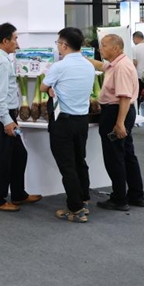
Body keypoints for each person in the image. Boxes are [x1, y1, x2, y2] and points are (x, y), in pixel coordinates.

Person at [0, 23, 41, 212]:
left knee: (19, 154)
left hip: (5, 113)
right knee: (2, 157)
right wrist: (7, 121)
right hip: (3, 115)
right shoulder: (0, 62)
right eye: (15, 38)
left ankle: (18, 194)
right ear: (5, 40)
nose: (17, 43)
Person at [41, 27, 95, 223]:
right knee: (80, 161)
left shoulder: (59, 66)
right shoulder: (88, 66)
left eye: (58, 44)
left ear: (64, 45)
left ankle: (75, 209)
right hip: (82, 120)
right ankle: (84, 200)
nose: (58, 47)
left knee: (67, 166)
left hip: (63, 122)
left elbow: (43, 86)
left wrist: (51, 89)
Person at [88, 34, 144, 212]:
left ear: (116, 48)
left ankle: (119, 198)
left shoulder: (121, 67)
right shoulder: (116, 63)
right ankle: (136, 195)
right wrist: (82, 58)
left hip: (116, 112)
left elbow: (124, 98)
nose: (101, 49)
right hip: (119, 112)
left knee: (114, 156)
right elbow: (101, 66)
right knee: (127, 154)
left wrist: (119, 123)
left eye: (104, 46)